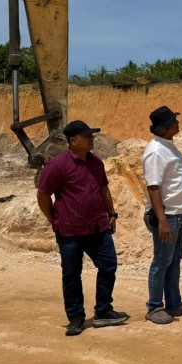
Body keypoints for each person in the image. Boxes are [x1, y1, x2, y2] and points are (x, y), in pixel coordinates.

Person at [36, 120, 129, 336]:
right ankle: (76, 317)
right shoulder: (57, 166)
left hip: (98, 226)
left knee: (108, 266)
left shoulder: (96, 162)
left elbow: (104, 189)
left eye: (91, 135)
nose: (91, 139)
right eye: (87, 136)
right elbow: (43, 195)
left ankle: (104, 310)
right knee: (71, 274)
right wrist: (54, 219)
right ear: (73, 141)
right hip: (69, 231)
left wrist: (112, 213)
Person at [142, 106, 182, 324]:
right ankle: (154, 307)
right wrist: (162, 219)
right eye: (174, 121)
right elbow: (153, 187)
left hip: (180, 213)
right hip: (167, 216)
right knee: (161, 261)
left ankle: (174, 304)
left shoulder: (168, 146)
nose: (178, 123)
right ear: (164, 128)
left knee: (174, 260)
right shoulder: (155, 151)